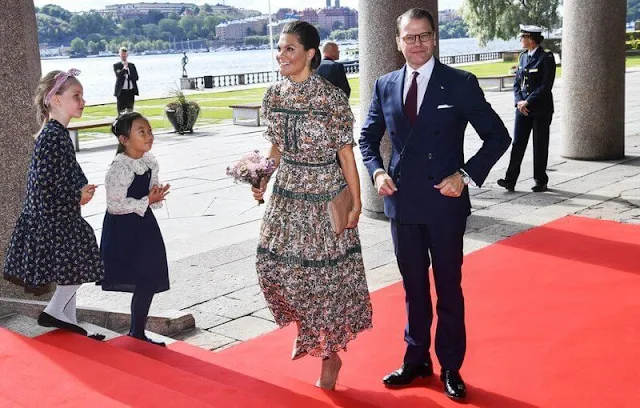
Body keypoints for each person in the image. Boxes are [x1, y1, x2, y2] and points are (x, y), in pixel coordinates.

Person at [359, 8, 511, 400]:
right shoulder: (385, 84)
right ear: (397, 42)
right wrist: (377, 172)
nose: (417, 44)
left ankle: (450, 366)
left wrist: (465, 175)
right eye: (410, 37)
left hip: (445, 205)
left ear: (434, 38)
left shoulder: (459, 83)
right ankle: (416, 360)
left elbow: (498, 136)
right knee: (412, 288)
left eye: (424, 36)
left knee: (448, 288)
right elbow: (367, 138)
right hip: (403, 205)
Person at [251, 21, 372, 390]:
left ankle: (329, 355)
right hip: (287, 193)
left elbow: (346, 156)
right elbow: (275, 147)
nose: (282, 55)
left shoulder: (330, 99)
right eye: (280, 48)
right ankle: (308, 327)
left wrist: (357, 203)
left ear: (309, 54)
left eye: (290, 49)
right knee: (269, 263)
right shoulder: (274, 96)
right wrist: (262, 176)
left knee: (323, 280)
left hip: (324, 195)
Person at [3, 69, 105, 340]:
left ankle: (68, 319)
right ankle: (54, 311)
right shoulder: (53, 137)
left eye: (82, 95)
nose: (82, 101)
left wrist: (79, 191)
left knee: (74, 266)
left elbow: (55, 180)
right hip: (51, 220)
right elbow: (42, 187)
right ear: (56, 99)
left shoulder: (57, 134)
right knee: (82, 257)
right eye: (76, 95)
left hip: (54, 217)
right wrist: (77, 196)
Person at [99, 112, 170, 347]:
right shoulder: (119, 168)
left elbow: (151, 195)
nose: (149, 136)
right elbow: (114, 205)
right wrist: (146, 201)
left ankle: (137, 330)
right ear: (124, 140)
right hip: (124, 229)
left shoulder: (150, 161)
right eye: (141, 132)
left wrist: (156, 196)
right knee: (142, 276)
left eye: (149, 131)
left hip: (144, 224)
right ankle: (136, 332)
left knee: (150, 275)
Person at [498, 25, 556, 193]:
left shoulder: (546, 58)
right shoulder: (523, 57)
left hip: (540, 109)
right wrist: (518, 102)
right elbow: (517, 83)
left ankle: (540, 180)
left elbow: (545, 86)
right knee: (518, 143)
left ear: (531, 38)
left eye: (522, 37)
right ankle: (510, 180)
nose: (520, 40)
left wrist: (528, 101)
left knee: (539, 144)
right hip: (522, 109)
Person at [114, 47, 139, 115]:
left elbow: (136, 77)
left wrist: (128, 76)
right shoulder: (117, 65)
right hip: (121, 92)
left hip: (130, 92)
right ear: (119, 55)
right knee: (121, 112)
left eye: (125, 54)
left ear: (127, 55)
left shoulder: (132, 65)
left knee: (130, 111)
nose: (124, 56)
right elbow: (119, 76)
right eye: (122, 54)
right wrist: (124, 68)